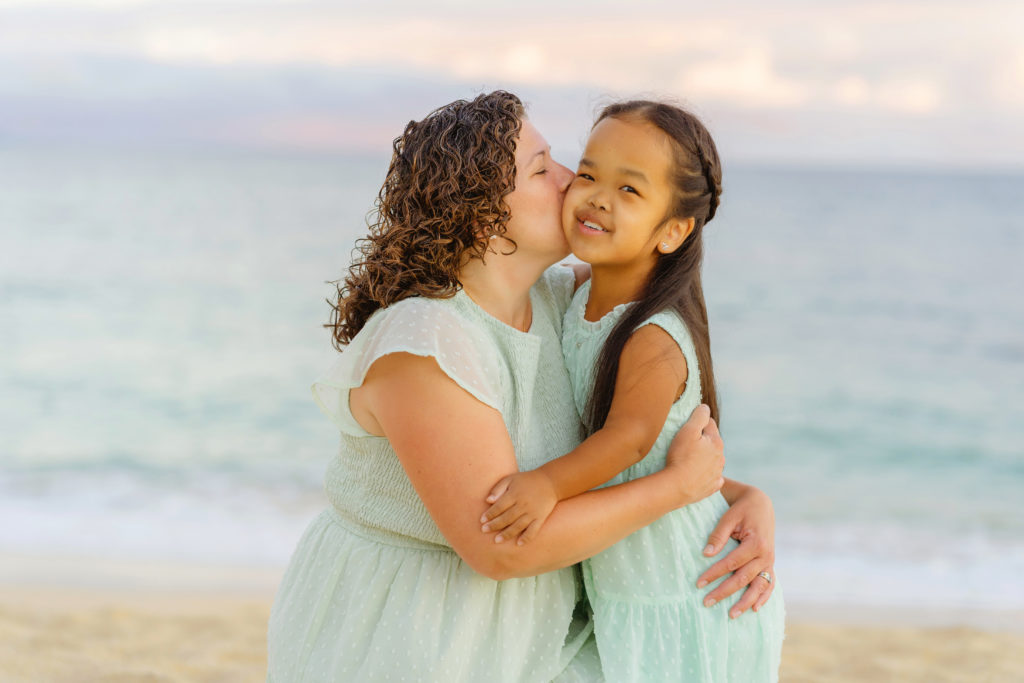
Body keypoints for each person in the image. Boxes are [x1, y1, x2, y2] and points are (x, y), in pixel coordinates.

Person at [266, 91, 778, 682]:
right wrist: (677, 489)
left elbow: (639, 445)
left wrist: (740, 498)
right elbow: (502, 546)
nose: (571, 184)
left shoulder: (559, 301)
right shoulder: (426, 342)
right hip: (414, 637)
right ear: (484, 214)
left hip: (535, 634)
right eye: (545, 169)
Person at [479, 101, 785, 681]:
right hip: (628, 589)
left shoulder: (653, 336)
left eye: (630, 190)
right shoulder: (574, 294)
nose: (597, 196)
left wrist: (545, 485)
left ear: (673, 231)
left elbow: (630, 441)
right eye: (589, 174)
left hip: (682, 593)